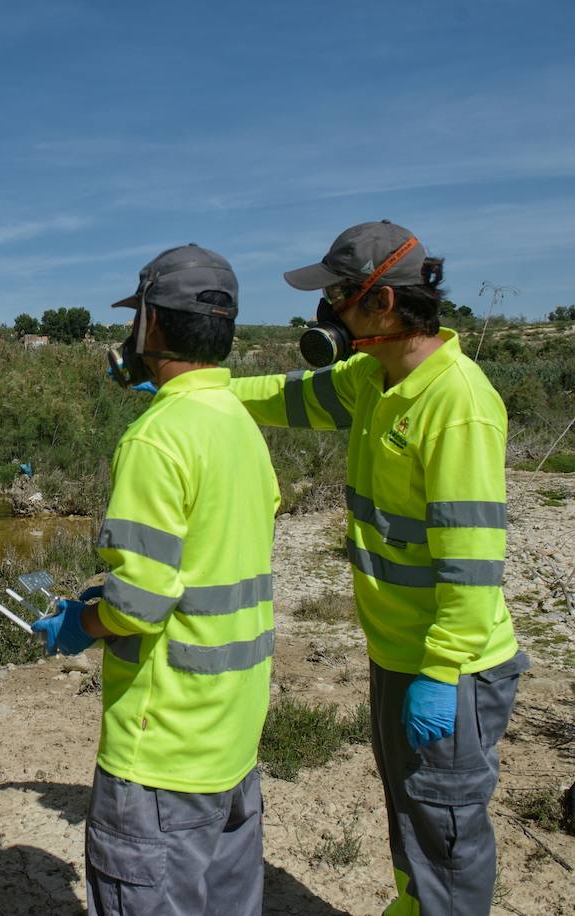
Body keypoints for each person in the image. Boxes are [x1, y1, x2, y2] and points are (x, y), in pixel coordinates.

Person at [229, 220, 528, 916]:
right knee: (411, 808)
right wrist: (200, 392)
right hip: (396, 650)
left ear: (382, 304)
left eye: (338, 295)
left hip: (449, 667)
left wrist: (441, 669)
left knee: (446, 822)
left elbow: (472, 561)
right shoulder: (374, 377)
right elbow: (290, 397)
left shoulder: (456, 404)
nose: (325, 312)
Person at [32, 244, 280, 916]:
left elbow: (138, 608)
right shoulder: (240, 426)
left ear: (153, 324)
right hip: (231, 736)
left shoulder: (156, 438)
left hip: (161, 748)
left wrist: (78, 623)